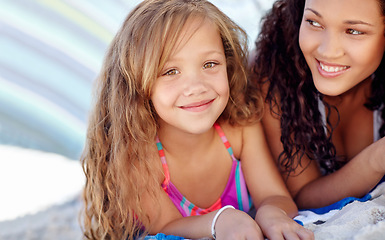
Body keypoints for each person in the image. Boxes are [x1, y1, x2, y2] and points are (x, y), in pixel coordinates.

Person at [80, 0, 313, 239]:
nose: (196, 87)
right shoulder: (137, 157)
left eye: (210, 64)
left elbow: (275, 196)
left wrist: (272, 213)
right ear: (138, 84)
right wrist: (219, 221)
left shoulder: (240, 128)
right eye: (171, 71)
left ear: (228, 65)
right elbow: (166, 227)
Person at [252, 0, 385, 210]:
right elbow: (303, 196)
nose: (328, 51)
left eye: (353, 31)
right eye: (314, 22)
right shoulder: (274, 76)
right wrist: (379, 157)